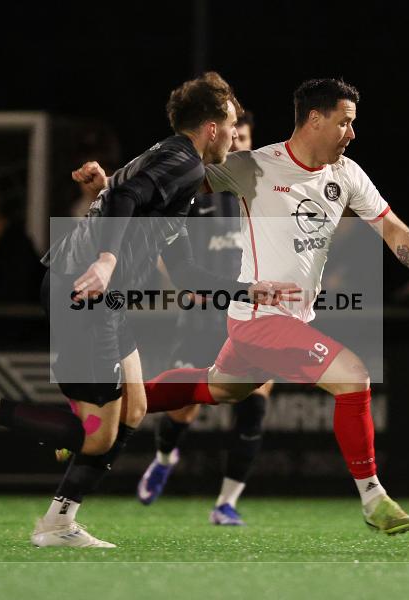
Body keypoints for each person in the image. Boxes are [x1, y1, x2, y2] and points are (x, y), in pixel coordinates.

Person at [0, 73, 298, 548]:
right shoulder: (184, 162)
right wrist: (107, 256)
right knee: (96, 434)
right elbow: (125, 197)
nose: (236, 136)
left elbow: (186, 273)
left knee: (133, 409)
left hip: (99, 297)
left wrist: (249, 290)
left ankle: (58, 522)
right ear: (212, 128)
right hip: (84, 293)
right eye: (232, 125)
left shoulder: (174, 164)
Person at [139, 78, 409, 535]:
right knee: (352, 375)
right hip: (259, 318)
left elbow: (394, 230)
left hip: (278, 319)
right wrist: (116, 189)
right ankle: (374, 497)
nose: (352, 133)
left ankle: (116, 403)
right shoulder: (254, 166)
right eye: (345, 123)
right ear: (315, 120)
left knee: (217, 389)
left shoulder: (347, 175)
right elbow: (178, 173)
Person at [136, 111, 274, 526]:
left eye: (244, 137)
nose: (237, 144)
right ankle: (164, 456)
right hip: (201, 315)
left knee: (255, 405)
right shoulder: (196, 186)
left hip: (250, 316)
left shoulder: (267, 191)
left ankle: (225, 503)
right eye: (234, 135)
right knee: (183, 410)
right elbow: (166, 248)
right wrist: (178, 283)